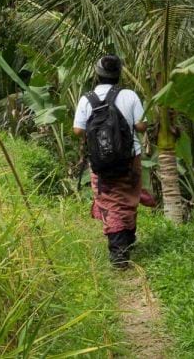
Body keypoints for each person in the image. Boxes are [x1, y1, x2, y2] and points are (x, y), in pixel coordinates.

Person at [73, 55, 148, 268]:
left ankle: (119, 250)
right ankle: (122, 248)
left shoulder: (87, 99)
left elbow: (78, 130)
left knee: (110, 202)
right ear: (118, 74)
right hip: (129, 157)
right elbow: (141, 126)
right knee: (127, 198)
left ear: (97, 75)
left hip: (100, 161)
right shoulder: (130, 95)